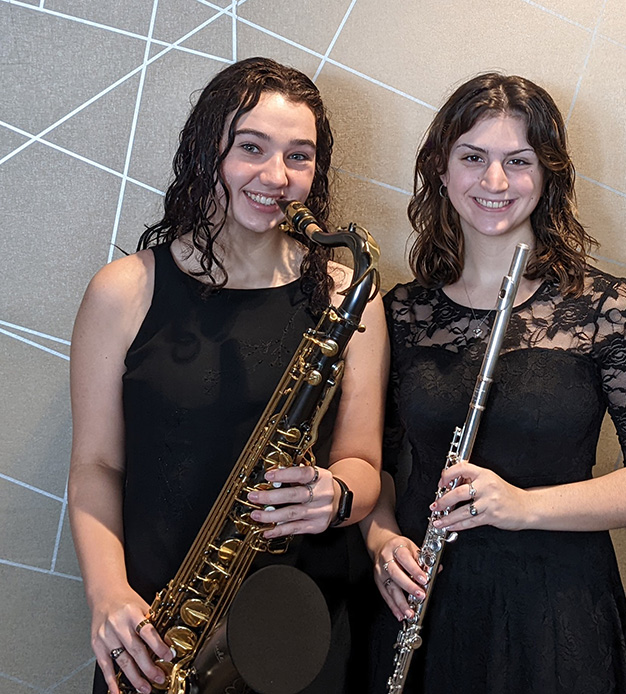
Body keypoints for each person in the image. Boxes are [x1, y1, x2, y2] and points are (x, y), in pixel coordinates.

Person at [68, 57, 387, 694]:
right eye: (251, 148)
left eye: (300, 156)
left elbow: (362, 461)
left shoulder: (351, 293)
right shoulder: (123, 290)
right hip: (157, 632)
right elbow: (96, 465)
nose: (276, 176)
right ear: (207, 150)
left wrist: (338, 495)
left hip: (301, 626)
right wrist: (107, 594)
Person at [361, 73, 626, 693]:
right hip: (431, 607)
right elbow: (371, 461)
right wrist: (380, 540)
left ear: (548, 174)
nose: (494, 183)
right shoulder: (402, 311)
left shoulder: (603, 306)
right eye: (473, 158)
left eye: (518, 161)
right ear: (441, 167)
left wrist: (523, 505)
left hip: (559, 612)